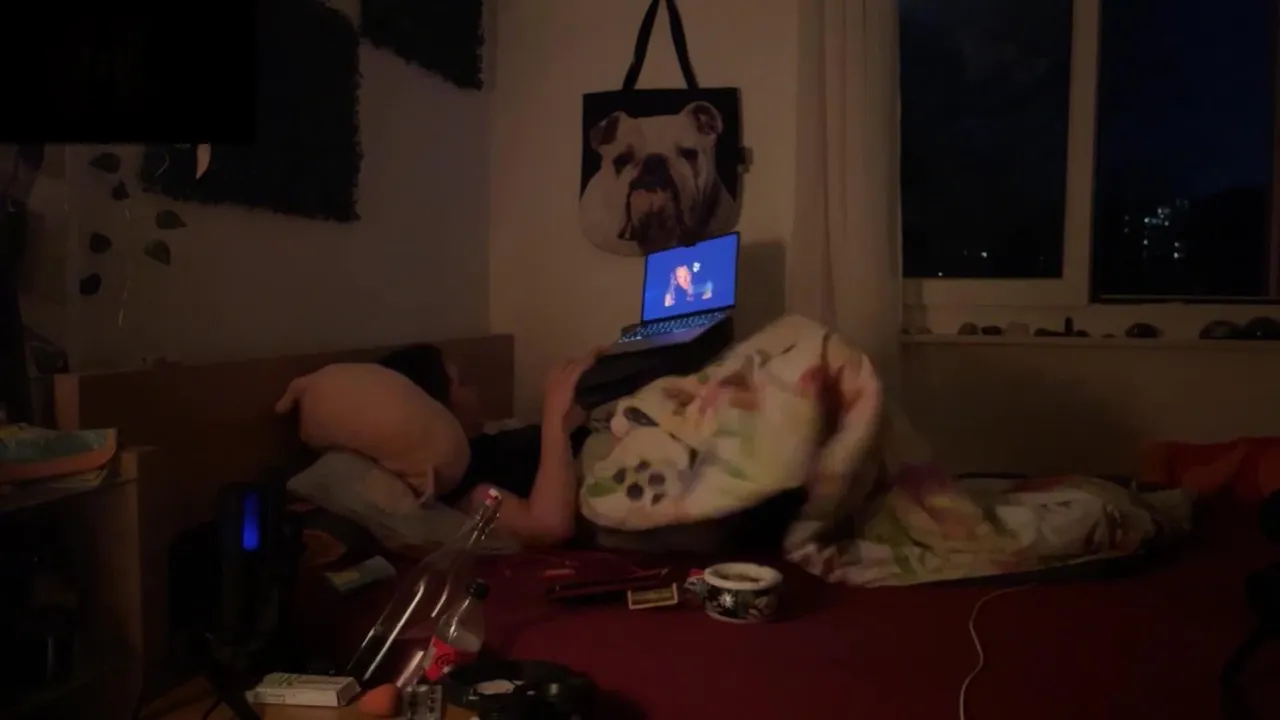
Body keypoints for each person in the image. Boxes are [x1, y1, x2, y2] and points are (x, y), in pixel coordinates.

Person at [378, 343, 601, 546]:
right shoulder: (464, 483)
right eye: (463, 382)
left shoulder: (488, 440)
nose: (476, 388)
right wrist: (554, 416)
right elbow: (549, 526)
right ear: (438, 409)